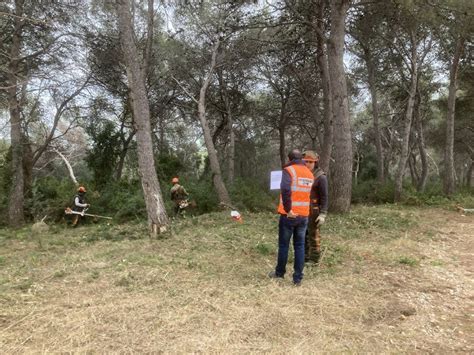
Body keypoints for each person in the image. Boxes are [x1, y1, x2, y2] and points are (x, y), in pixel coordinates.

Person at [269, 149, 314, 286]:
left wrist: (288, 210)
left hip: (289, 215)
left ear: (290, 159)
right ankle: (297, 278)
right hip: (304, 215)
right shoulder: (309, 173)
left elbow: (286, 190)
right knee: (300, 246)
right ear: (301, 158)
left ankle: (280, 273)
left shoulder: (288, 170)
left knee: (284, 245)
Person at [302, 150, 329, 263]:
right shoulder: (302, 174)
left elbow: (324, 197)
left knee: (313, 235)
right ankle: (304, 257)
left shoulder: (320, 177)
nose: (308, 164)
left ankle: (314, 259)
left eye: (310, 162)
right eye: (306, 161)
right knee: (303, 235)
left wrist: (323, 214)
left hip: (314, 211)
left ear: (315, 163)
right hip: (302, 210)